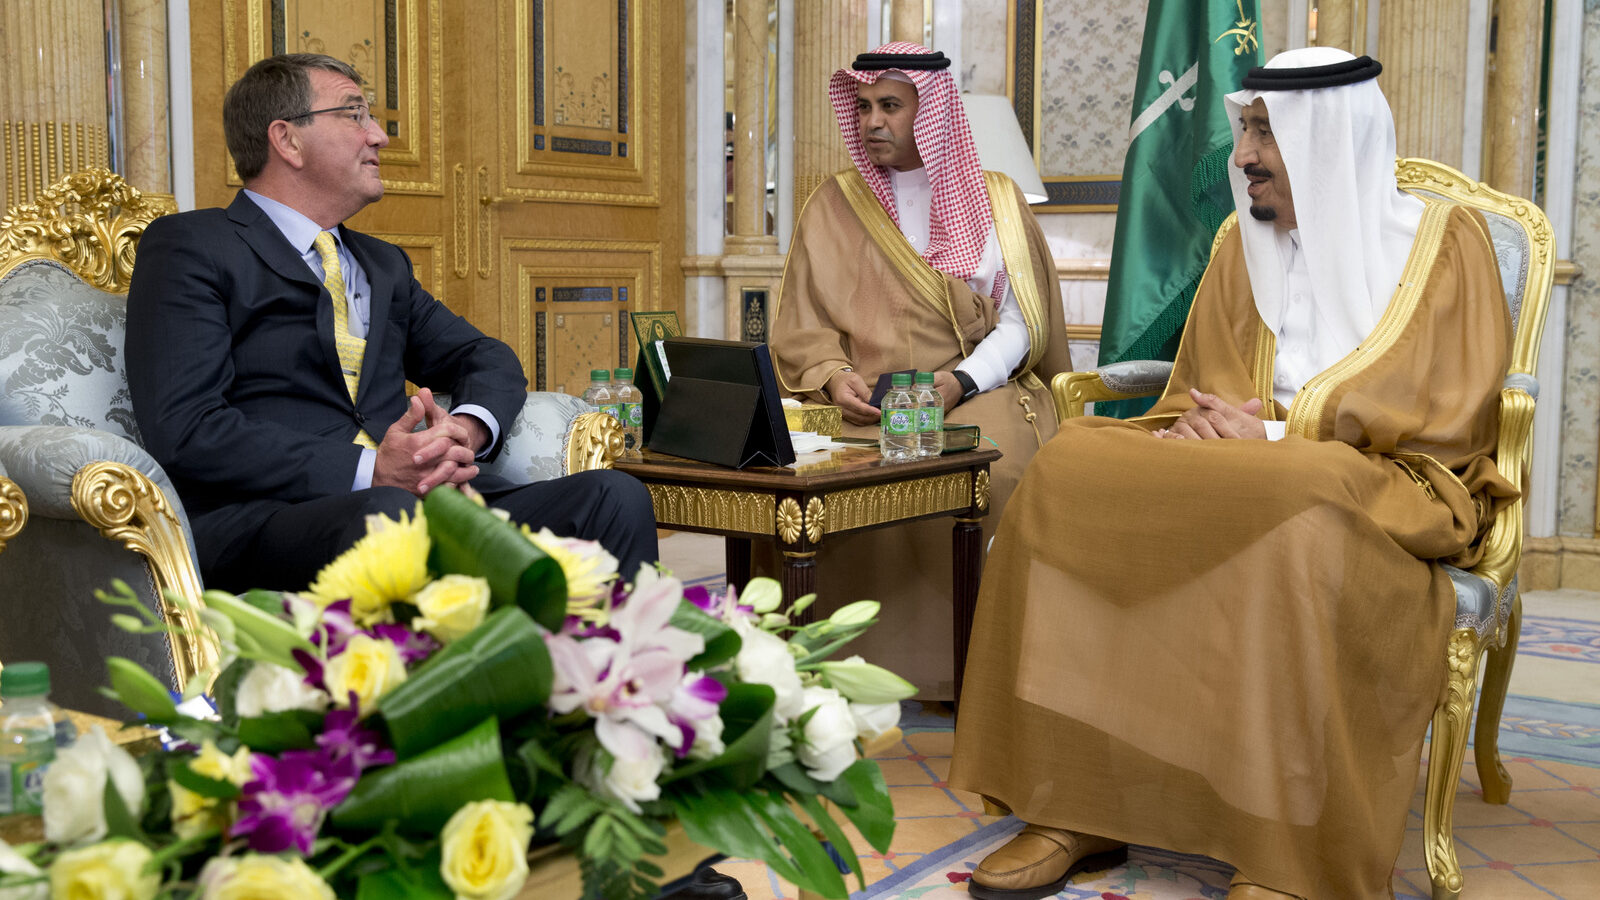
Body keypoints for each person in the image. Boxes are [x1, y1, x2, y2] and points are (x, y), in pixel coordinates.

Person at [949, 48, 1515, 900]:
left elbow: (1451, 410)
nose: (1241, 155)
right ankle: (1079, 801)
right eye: (1244, 130)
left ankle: (1290, 850)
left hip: (1381, 482)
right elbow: (1196, 393)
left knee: (1304, 501)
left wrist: (1285, 433)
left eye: (1263, 133)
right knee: (1070, 465)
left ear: (1324, 142)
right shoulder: (1238, 242)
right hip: (1237, 467)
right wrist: (1213, 433)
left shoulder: (1445, 245)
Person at [126, 53, 657, 592]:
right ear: (287, 140)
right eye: (354, 115)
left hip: (413, 500)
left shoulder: (383, 264)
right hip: (273, 517)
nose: (378, 135)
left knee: (614, 498)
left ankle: (608, 672)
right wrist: (370, 470)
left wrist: (462, 431)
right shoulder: (193, 246)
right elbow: (188, 428)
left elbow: (484, 357)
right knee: (388, 516)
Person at [768, 42, 1070, 697]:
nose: (874, 121)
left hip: (972, 385)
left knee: (993, 460)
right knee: (800, 471)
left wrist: (958, 382)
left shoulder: (997, 201)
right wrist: (831, 376)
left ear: (930, 112)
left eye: (891, 107)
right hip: (864, 401)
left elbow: (1023, 325)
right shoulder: (832, 203)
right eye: (865, 106)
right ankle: (836, 665)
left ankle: (980, 671)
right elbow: (803, 325)